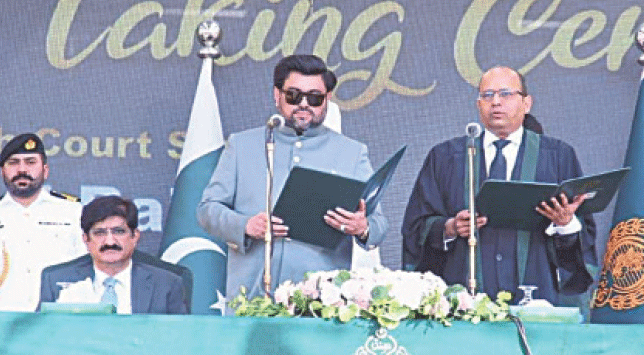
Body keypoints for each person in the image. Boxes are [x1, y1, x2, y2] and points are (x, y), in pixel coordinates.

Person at [197, 54, 387, 301]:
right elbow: (207, 210)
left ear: (327, 99)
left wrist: (362, 227)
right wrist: (245, 225)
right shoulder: (242, 145)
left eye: (315, 98)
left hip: (321, 304)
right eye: (294, 95)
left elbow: (379, 224)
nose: (304, 104)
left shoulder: (352, 152)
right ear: (277, 95)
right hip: (252, 297)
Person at [402, 66, 596, 304]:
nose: (495, 102)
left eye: (505, 94)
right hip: (463, 305)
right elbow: (415, 228)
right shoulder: (446, 157)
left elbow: (584, 234)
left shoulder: (557, 156)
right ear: (478, 105)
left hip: (536, 300)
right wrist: (450, 227)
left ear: (527, 103)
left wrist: (565, 223)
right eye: (487, 95)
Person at [38, 195, 187, 314]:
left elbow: (178, 340)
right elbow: (43, 338)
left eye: (119, 232)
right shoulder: (56, 280)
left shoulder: (166, 284)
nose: (109, 242)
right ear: (86, 240)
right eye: (99, 233)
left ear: (135, 236)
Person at [0, 133, 85, 312]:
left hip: (57, 319)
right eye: (13, 163)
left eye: (30, 162)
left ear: (45, 170)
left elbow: (87, 268)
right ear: (2, 171)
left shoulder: (73, 212)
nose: (21, 170)